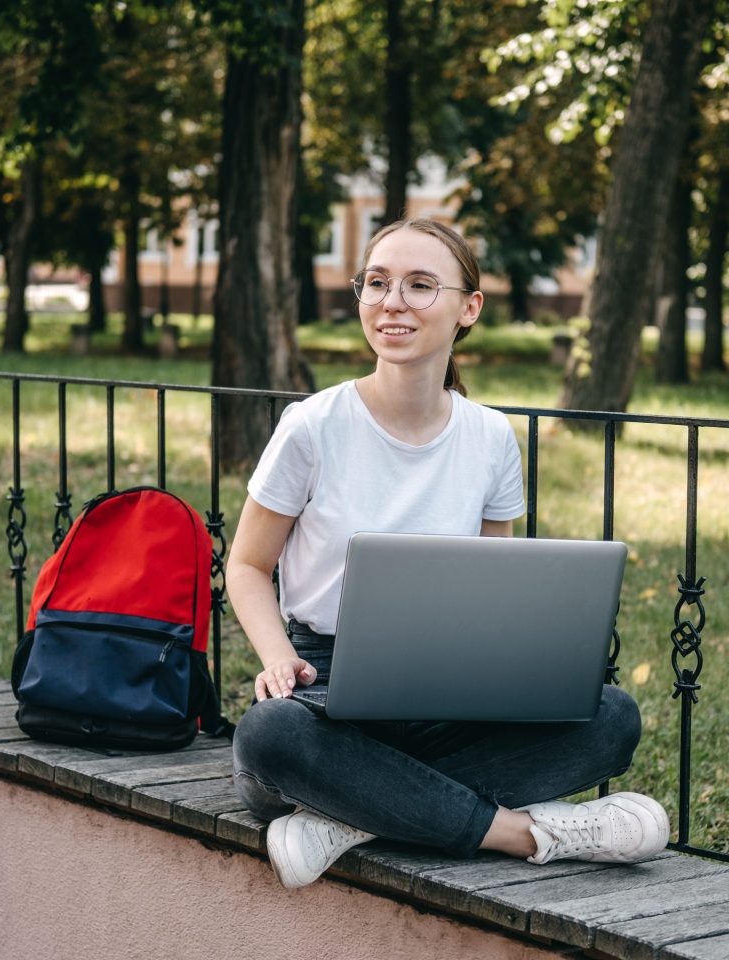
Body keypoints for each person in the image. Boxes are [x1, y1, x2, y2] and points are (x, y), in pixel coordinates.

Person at [226, 217, 666, 889]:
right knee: (268, 737)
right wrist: (278, 657)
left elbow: (494, 593)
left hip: (448, 692)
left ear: (469, 308)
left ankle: (352, 818)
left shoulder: (490, 438)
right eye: (377, 283)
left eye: (420, 285)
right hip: (325, 690)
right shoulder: (312, 426)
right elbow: (248, 566)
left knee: (612, 719)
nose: (392, 302)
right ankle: (528, 835)